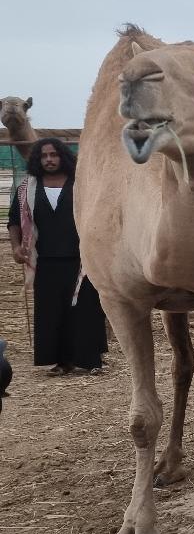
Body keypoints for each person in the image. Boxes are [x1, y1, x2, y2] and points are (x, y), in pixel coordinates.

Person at [7, 137, 108, 375]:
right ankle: (61, 362)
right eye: (44, 156)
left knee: (86, 310)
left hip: (83, 261)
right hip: (45, 261)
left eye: (53, 155)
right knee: (51, 311)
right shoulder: (26, 189)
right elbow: (14, 222)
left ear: (63, 156)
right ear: (37, 160)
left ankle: (91, 360)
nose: (49, 160)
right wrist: (15, 247)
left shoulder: (82, 184)